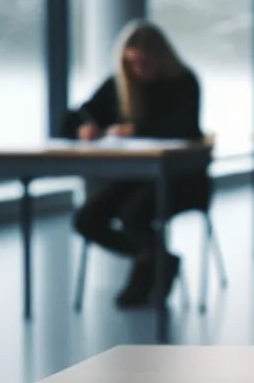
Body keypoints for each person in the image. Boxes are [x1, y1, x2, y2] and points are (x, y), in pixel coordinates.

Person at [70, 20, 207, 308]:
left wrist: (136, 130)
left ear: (161, 58)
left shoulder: (184, 83)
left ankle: (147, 268)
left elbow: (185, 128)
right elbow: (80, 114)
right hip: (134, 177)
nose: (138, 69)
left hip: (181, 179)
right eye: (131, 63)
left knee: (134, 214)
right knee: (87, 219)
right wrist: (84, 128)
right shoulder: (120, 83)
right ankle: (155, 258)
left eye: (144, 62)